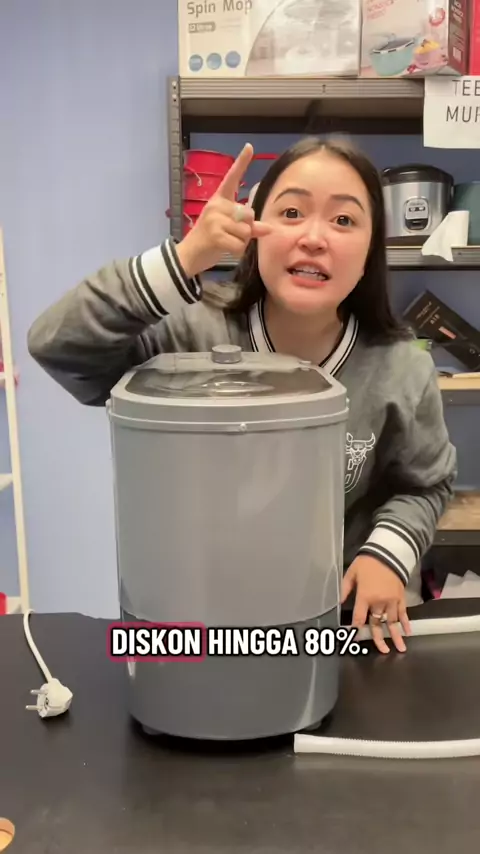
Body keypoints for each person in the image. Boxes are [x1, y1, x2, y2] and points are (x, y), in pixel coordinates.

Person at [27, 136, 457, 654]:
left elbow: (426, 485)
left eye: (344, 220)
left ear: (370, 253)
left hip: (328, 621)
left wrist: (386, 555)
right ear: (253, 232)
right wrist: (184, 258)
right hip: (193, 619)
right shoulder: (188, 334)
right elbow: (58, 346)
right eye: (292, 212)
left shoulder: (400, 365)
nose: (314, 237)